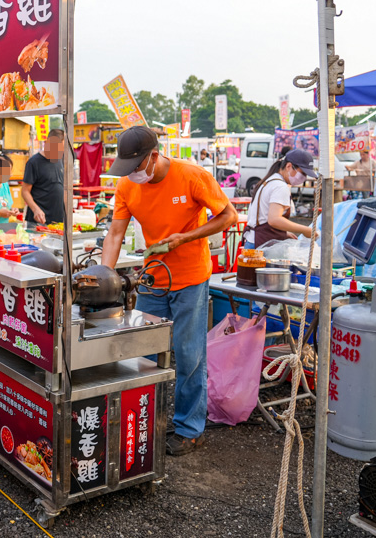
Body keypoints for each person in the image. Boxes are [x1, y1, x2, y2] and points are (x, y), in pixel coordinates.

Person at [101, 127, 237, 456]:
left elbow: (228, 216)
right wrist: (105, 276)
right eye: (127, 169)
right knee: (143, 356)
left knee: (189, 355)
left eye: (136, 167)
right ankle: (145, 421)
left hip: (190, 279)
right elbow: (115, 234)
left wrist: (185, 238)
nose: (132, 175)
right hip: (152, 281)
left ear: (153, 156)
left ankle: (190, 429)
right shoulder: (126, 186)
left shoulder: (192, 176)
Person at [243, 149, 318, 249]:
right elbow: (274, 219)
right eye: (302, 173)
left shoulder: (271, 180)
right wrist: (306, 230)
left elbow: (263, 217)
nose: (304, 178)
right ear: (288, 166)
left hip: (254, 241)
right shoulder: (280, 186)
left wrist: (284, 233)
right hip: (261, 245)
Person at [22, 128, 65, 225]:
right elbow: (25, 191)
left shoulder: (60, 160)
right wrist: (36, 209)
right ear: (46, 143)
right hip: (39, 221)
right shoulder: (33, 162)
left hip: (58, 220)